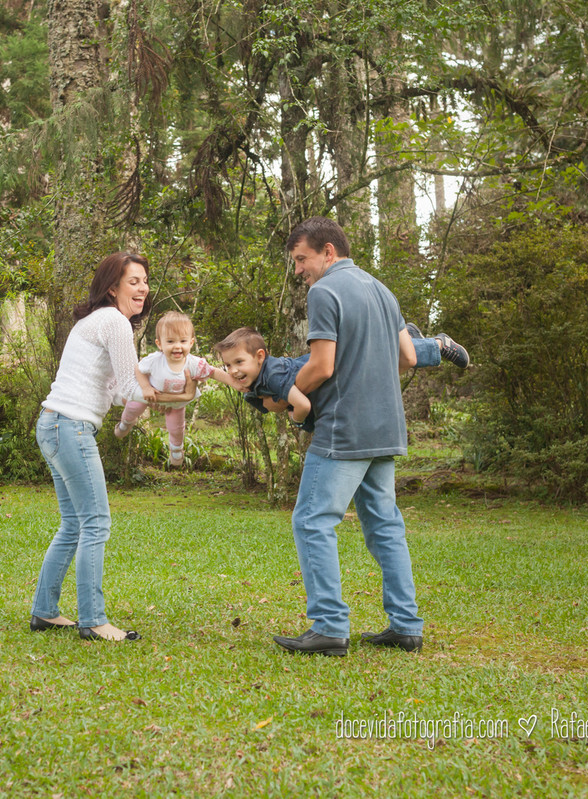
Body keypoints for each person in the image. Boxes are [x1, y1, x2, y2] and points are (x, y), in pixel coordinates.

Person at [271, 217, 425, 657]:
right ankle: (406, 625)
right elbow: (409, 357)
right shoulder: (382, 290)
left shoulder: (325, 291)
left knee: (312, 521)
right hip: (386, 427)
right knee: (385, 525)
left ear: (328, 252)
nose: (298, 270)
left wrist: (288, 393)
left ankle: (329, 627)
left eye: (302, 259)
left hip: (344, 430)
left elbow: (321, 366)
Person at [30, 252, 186, 643]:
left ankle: (45, 611)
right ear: (113, 288)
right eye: (133, 281)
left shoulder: (98, 321)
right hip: (70, 427)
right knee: (95, 523)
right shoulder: (114, 321)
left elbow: (118, 393)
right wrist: (178, 392)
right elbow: (133, 387)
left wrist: (155, 394)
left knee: (74, 524)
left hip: (54, 424)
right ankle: (93, 620)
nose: (143, 288)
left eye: (145, 281)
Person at [213, 322, 468, 433]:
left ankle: (437, 345)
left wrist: (297, 421)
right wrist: (208, 371)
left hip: (332, 367)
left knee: (376, 359)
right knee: (378, 360)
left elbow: (303, 405)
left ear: (260, 356)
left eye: (239, 362)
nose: (233, 371)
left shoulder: (274, 377)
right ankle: (408, 338)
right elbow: (232, 381)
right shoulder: (253, 379)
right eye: (228, 365)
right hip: (328, 383)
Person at [113, 311, 242, 466]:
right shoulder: (155, 360)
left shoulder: (193, 363)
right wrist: (146, 387)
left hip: (176, 404)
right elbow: (138, 369)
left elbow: (213, 372)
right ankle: (126, 423)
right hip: (151, 395)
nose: (177, 346)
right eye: (170, 341)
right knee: (133, 407)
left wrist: (234, 382)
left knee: (176, 428)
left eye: (183, 341)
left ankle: (176, 450)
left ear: (191, 343)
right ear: (159, 344)